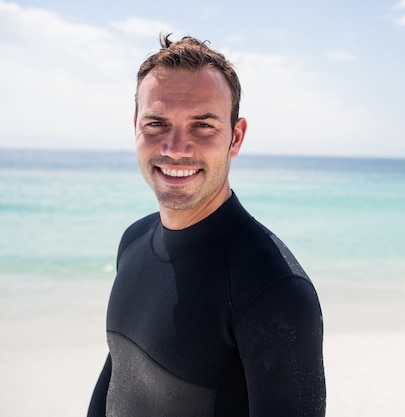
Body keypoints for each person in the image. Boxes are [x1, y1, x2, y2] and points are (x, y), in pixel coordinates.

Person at [87, 34, 326, 417]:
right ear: (136, 126)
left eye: (202, 126)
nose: (175, 147)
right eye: (157, 123)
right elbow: (115, 386)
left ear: (236, 137)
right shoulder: (133, 242)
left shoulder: (274, 290)